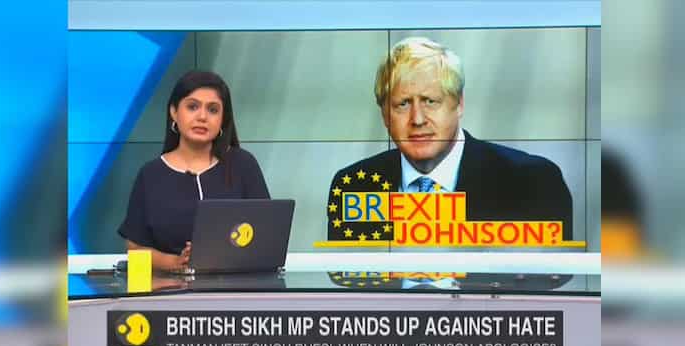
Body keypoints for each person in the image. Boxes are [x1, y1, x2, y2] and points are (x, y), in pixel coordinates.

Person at [328, 37, 573, 241]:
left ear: (459, 104)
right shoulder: (353, 185)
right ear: (384, 114)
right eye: (402, 104)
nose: (418, 119)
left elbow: (549, 277)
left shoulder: (532, 181)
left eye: (430, 101)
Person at [119, 70, 270, 272]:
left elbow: (267, 236)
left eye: (213, 110)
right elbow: (135, 248)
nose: (202, 117)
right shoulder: (151, 174)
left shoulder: (243, 165)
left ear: (223, 119)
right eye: (192, 107)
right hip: (170, 288)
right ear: (174, 112)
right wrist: (175, 262)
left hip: (237, 286)